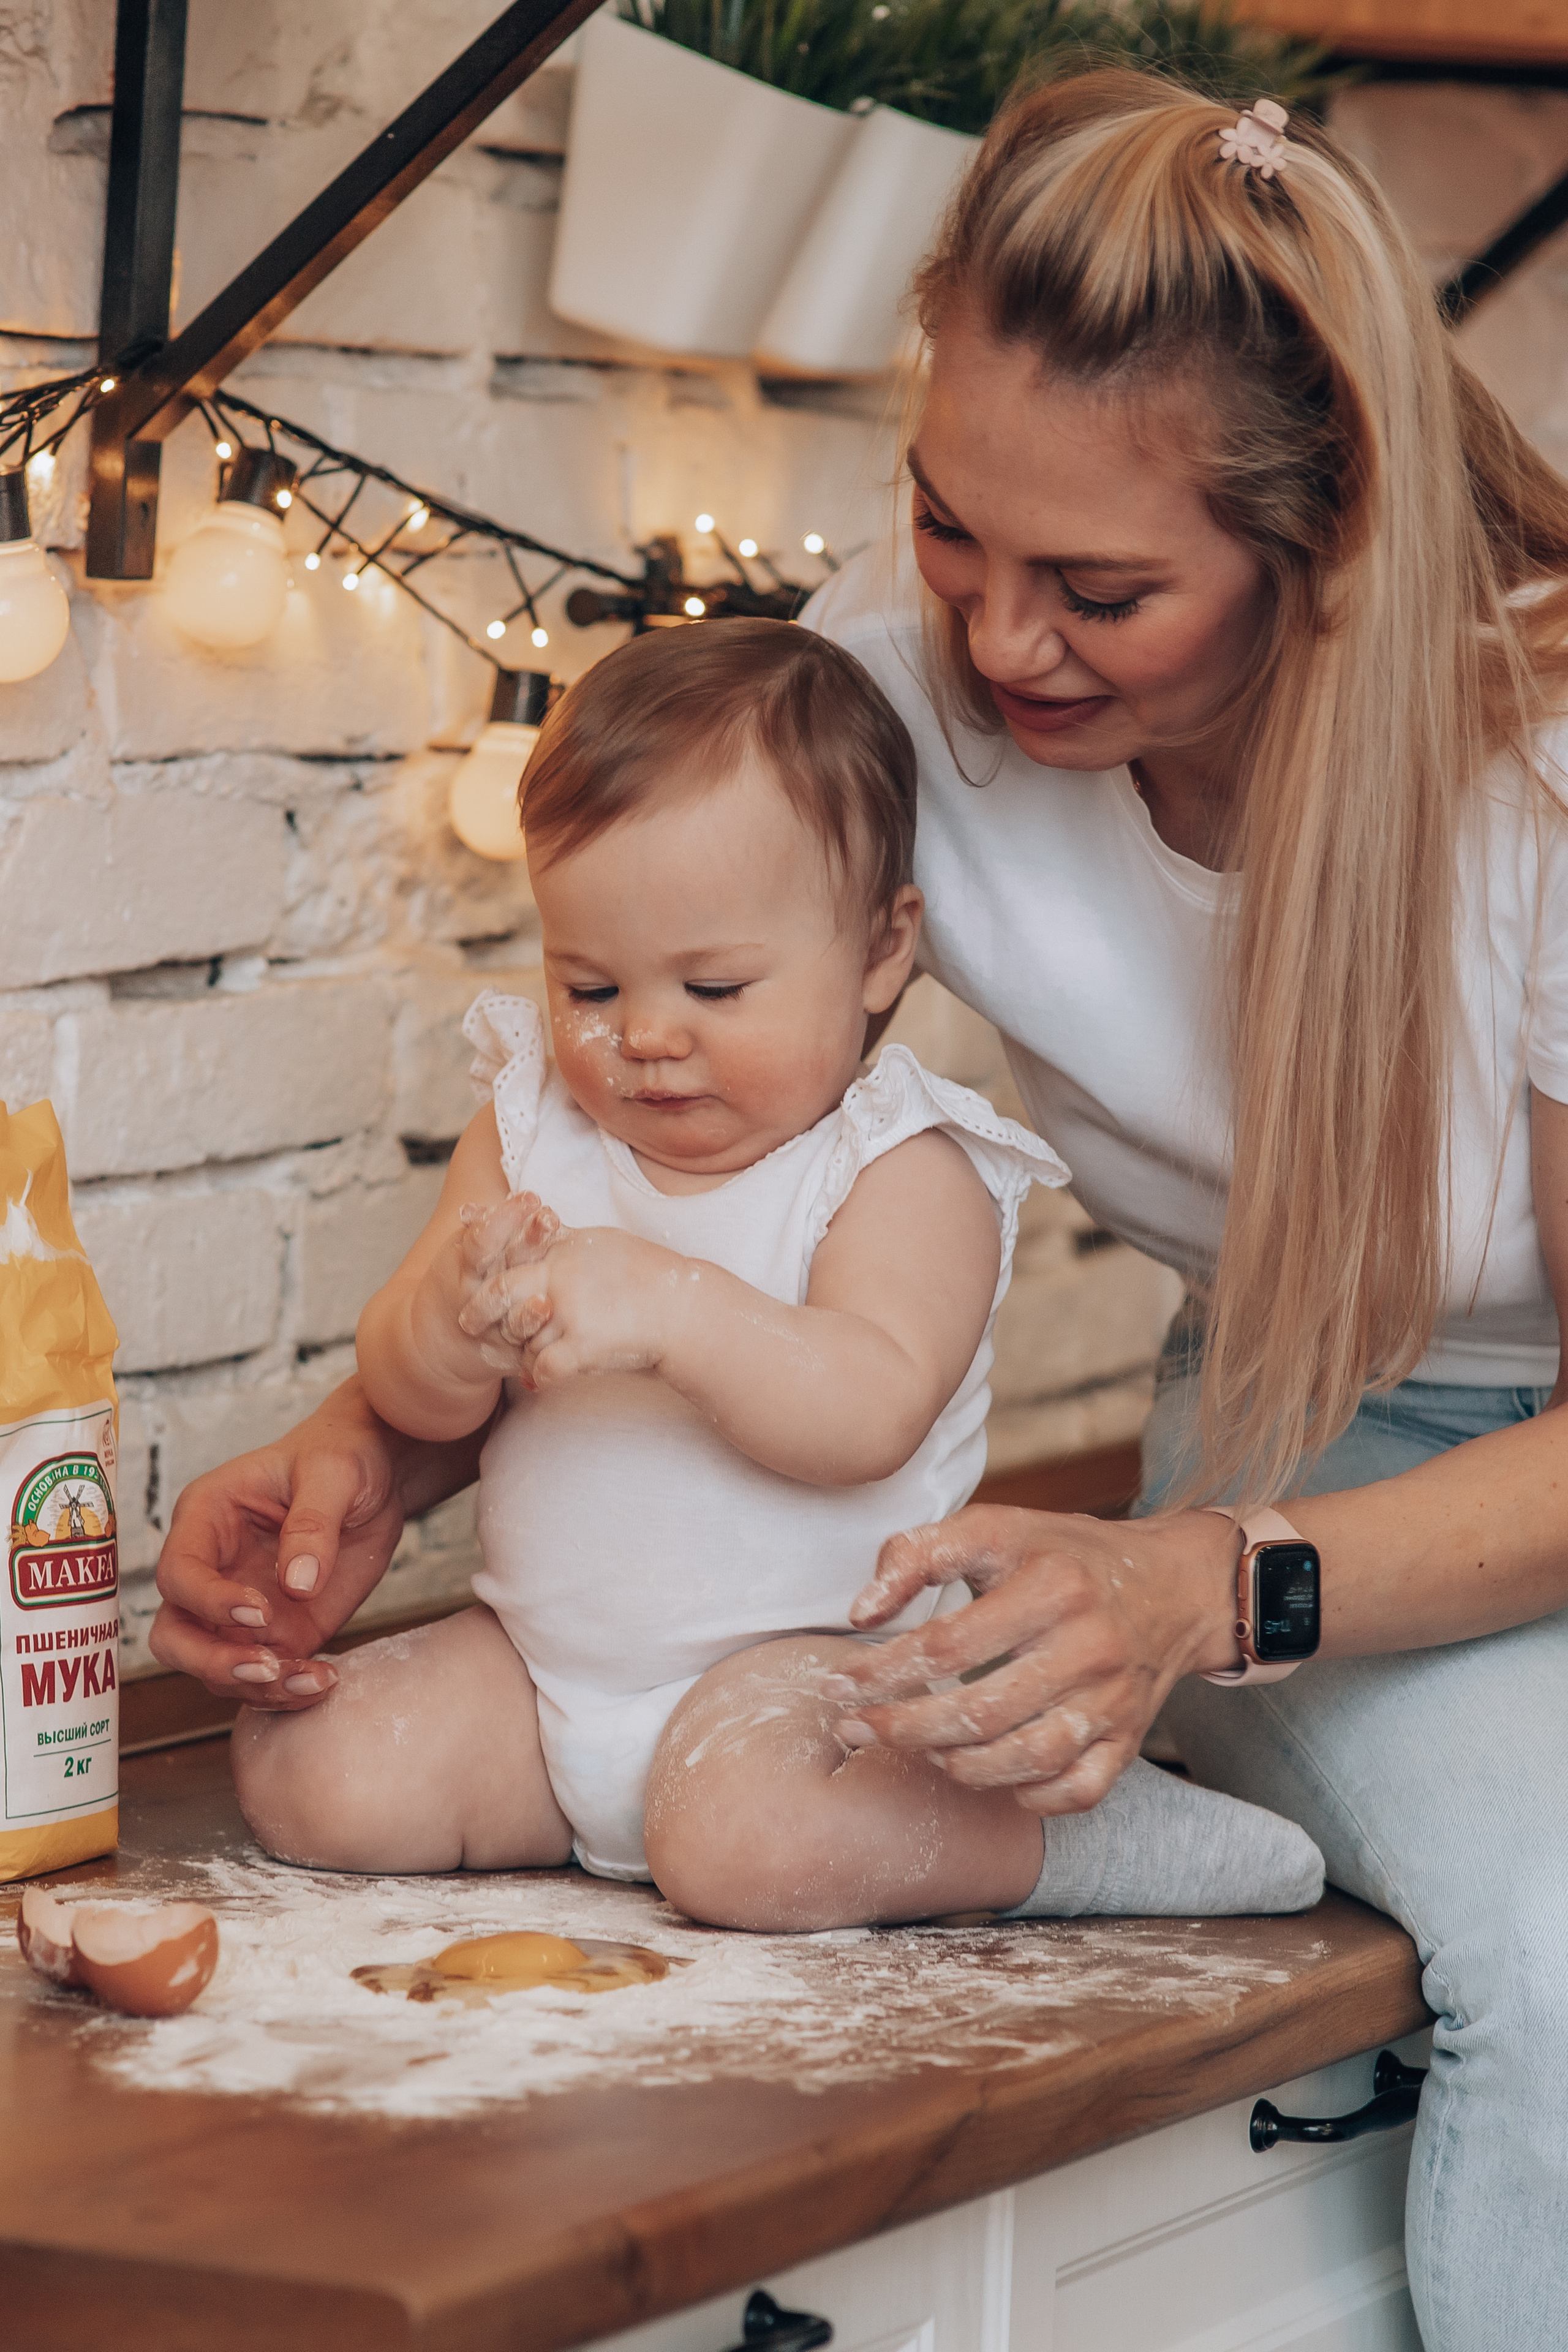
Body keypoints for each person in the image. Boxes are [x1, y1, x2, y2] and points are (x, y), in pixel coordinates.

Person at [149, 72, 1568, 2349]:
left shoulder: (1538, 776)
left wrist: (1201, 1584)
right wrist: (364, 1451)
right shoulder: (897, 698)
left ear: (1339, 542)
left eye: (1102, 588)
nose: (999, 644)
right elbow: (652, 1105)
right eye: (947, 529)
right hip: (1301, 1439)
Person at [227, 619, 1320, 1928]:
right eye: (587, 985)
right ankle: (592, 1817)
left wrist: (666, 1306)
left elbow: (866, 1411)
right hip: (544, 1674)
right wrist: (448, 1329)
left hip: (816, 1689)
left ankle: (1067, 1838)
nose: (641, 1037)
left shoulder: (896, 1164)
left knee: (747, 1839)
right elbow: (412, 1396)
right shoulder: (529, 1134)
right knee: (310, 1768)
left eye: (714, 985)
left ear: (876, 952)